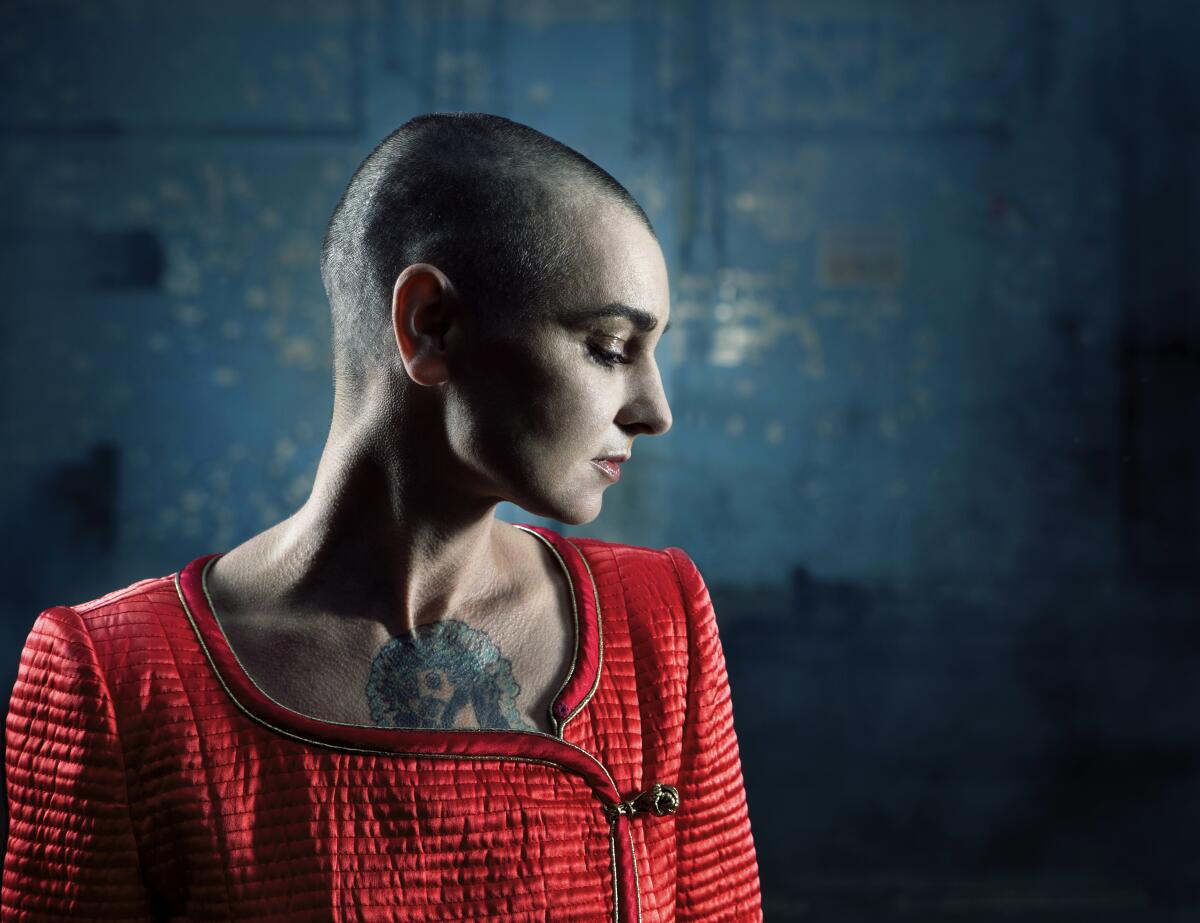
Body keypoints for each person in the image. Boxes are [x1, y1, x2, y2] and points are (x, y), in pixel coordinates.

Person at [3, 113, 762, 921]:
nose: (655, 410)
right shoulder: (118, 675)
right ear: (428, 325)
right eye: (610, 346)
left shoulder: (659, 619)